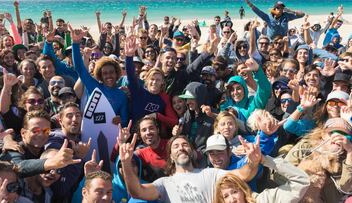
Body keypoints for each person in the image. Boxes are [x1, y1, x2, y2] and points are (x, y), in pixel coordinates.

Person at [119, 134, 262, 203]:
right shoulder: (164, 183)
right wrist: (126, 164)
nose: (181, 148)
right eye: (176, 146)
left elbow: (243, 175)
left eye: (185, 145)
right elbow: (137, 192)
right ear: (171, 156)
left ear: (192, 151)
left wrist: (253, 162)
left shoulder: (210, 173)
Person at [70, 25, 128, 126]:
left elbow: (125, 120)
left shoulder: (122, 95)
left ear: (117, 73)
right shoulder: (94, 87)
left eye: (111, 72)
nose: (109, 76)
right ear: (100, 75)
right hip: (90, 131)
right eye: (105, 73)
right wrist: (75, 43)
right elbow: (80, 69)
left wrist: (121, 121)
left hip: (110, 134)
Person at [213, 155, 310, 203]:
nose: (232, 200)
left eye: (234, 192)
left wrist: (263, 159)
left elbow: (301, 181)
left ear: (243, 191)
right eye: (225, 196)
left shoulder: (264, 200)